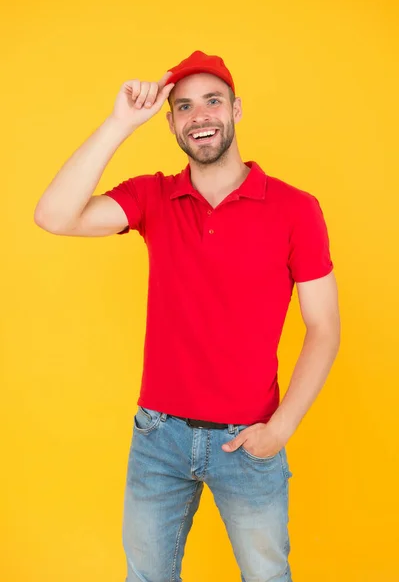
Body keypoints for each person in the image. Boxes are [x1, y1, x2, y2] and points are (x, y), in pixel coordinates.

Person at [34, 50, 341, 582]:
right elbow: (54, 215)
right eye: (183, 107)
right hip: (158, 437)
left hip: (249, 441)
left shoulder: (296, 208)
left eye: (212, 101)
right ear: (171, 122)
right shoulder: (153, 195)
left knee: (268, 577)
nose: (199, 115)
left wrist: (280, 428)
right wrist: (120, 122)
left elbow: (324, 326)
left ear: (236, 110)